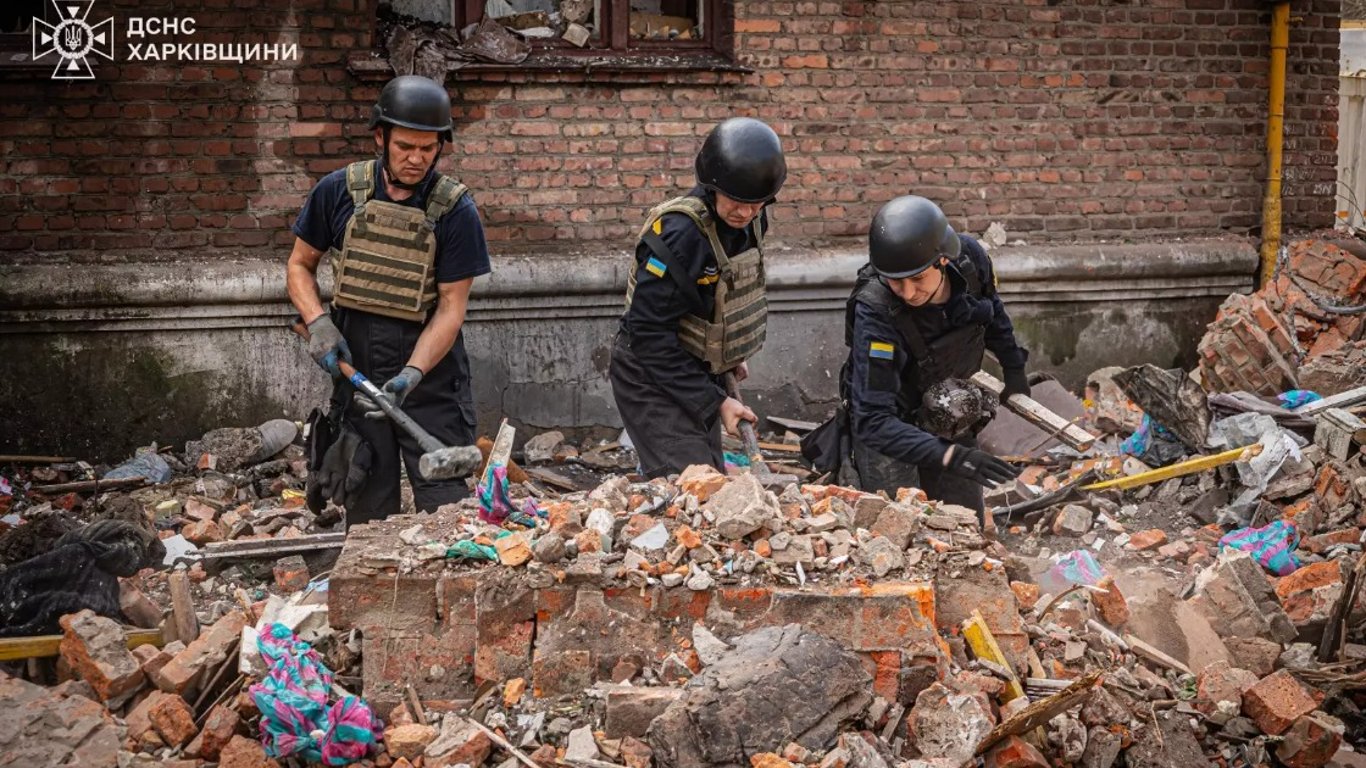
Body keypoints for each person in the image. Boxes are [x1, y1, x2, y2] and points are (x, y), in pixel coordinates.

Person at [285, 75, 491, 526]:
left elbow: (452, 307)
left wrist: (412, 374)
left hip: (430, 370)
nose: (417, 159)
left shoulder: (456, 211)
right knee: (367, 502)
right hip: (357, 361)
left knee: (446, 509)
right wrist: (319, 322)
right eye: (405, 147)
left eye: (428, 148)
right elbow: (300, 266)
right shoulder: (337, 191)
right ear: (381, 137)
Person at [609, 117, 787, 478]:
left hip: (696, 367)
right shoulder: (681, 235)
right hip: (650, 371)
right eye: (736, 201)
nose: (745, 212)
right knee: (693, 485)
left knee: (712, 480)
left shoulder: (752, 220)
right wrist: (716, 401)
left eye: (757, 203)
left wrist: (726, 353)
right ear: (712, 185)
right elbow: (647, 334)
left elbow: (717, 297)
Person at [840, 195, 1030, 515]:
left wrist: (1014, 369)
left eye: (917, 279)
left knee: (964, 523)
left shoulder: (969, 261)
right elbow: (872, 419)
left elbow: (992, 311)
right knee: (903, 523)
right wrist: (949, 456)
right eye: (896, 283)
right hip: (890, 426)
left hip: (945, 409)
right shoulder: (874, 310)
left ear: (942, 261)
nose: (909, 293)